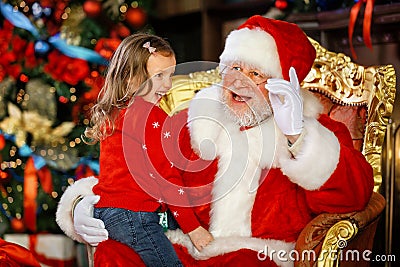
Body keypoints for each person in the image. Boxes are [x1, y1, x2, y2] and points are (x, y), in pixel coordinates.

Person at [56, 16, 374, 266]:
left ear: (280, 85)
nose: (237, 81)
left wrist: (297, 136)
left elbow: (353, 197)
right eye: (232, 68)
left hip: (259, 257)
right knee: (116, 254)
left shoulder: (314, 130)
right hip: (190, 250)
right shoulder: (196, 121)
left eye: (255, 73)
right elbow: (140, 171)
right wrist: (84, 205)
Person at [61, 33, 213, 267]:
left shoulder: (115, 112)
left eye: (170, 75)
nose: (168, 85)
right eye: (159, 76)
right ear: (131, 79)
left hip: (108, 212)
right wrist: (193, 229)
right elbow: (167, 177)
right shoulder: (151, 116)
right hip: (134, 216)